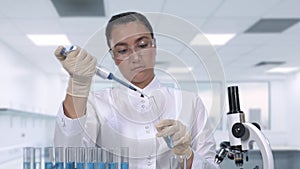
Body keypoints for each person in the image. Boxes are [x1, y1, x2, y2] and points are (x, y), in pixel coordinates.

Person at [54, 11, 219, 169]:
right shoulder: (96, 104)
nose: (135, 57)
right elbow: (68, 160)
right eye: (123, 50)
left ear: (154, 45)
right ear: (114, 57)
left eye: (142, 45)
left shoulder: (191, 103)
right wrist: (78, 85)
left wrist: (187, 155)